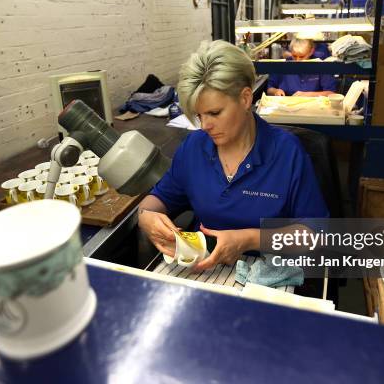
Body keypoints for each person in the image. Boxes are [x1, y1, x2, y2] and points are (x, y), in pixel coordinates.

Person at [137, 40, 329, 272]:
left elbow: (313, 234)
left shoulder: (286, 153)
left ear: (245, 98)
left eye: (215, 113)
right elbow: (158, 199)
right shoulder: (195, 147)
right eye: (199, 115)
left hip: (266, 273)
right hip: (205, 269)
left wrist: (248, 239)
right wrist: (145, 217)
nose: (205, 125)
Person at [266, 37, 337, 97]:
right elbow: (269, 89)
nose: (297, 60)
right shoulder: (283, 65)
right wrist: (276, 91)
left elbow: (331, 94)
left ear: (311, 52)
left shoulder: (320, 66)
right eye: (294, 56)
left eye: (301, 56)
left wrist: (307, 95)